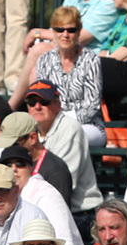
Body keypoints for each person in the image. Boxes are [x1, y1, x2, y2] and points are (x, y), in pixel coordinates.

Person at [11, 7, 104, 144]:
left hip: (88, 126)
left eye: (71, 30)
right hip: (51, 125)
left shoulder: (91, 60)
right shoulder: (44, 61)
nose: (65, 35)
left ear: (78, 32)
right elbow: (42, 99)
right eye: (59, 30)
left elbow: (92, 106)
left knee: (66, 136)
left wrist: (62, 122)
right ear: (53, 32)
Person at [22, 81, 100, 216]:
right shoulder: (30, 130)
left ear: (58, 105)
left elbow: (60, 182)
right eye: (32, 102)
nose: (37, 106)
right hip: (39, 205)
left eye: (44, 101)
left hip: (79, 213)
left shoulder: (70, 129)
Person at [0, 144, 81, 245]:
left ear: (30, 169)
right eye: (8, 165)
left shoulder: (46, 194)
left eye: (20, 164)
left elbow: (65, 243)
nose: (14, 168)